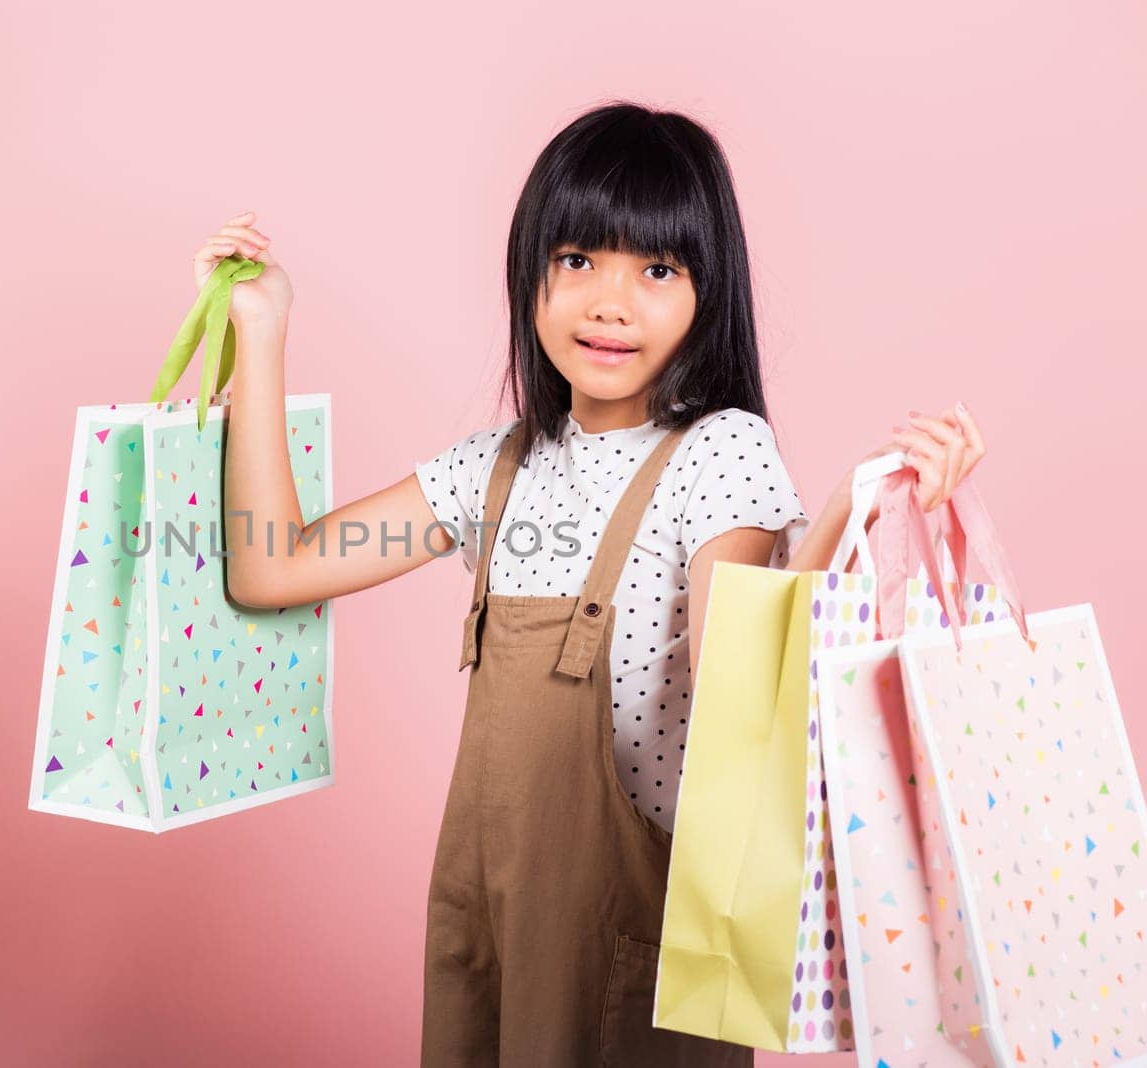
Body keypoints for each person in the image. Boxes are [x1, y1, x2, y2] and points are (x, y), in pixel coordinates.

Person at [201, 101, 985, 1066]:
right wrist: (264, 331)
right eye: (577, 260)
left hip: (631, 961)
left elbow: (741, 672)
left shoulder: (719, 453)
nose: (610, 303)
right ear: (531, 275)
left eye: (657, 270)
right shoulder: (494, 469)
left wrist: (844, 512)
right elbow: (272, 565)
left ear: (709, 293)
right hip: (492, 941)